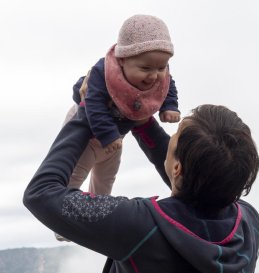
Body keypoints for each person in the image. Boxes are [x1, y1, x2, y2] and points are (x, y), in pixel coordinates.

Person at [24, 104, 259, 273]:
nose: (168, 140)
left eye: (175, 136)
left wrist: (88, 111)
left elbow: (41, 194)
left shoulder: (141, 226)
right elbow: (202, 185)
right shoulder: (248, 223)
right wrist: (144, 123)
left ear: (177, 167)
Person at [64, 14, 180, 199]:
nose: (154, 76)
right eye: (145, 68)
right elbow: (92, 103)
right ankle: (63, 224)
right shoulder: (104, 73)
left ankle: (98, 213)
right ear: (123, 59)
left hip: (116, 137)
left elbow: (168, 85)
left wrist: (170, 105)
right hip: (89, 132)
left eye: (161, 68)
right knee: (72, 178)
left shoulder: (159, 74)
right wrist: (107, 134)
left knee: (106, 178)